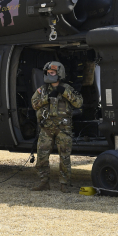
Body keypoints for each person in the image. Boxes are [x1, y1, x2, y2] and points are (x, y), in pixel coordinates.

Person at [30, 61, 83, 193]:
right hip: (46, 128)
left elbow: (79, 103)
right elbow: (34, 104)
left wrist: (65, 93)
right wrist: (47, 98)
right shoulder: (42, 90)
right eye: (48, 73)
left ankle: (64, 184)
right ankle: (43, 182)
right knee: (42, 156)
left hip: (63, 128)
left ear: (59, 74)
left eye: (52, 73)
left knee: (64, 157)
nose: (49, 75)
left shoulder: (67, 88)